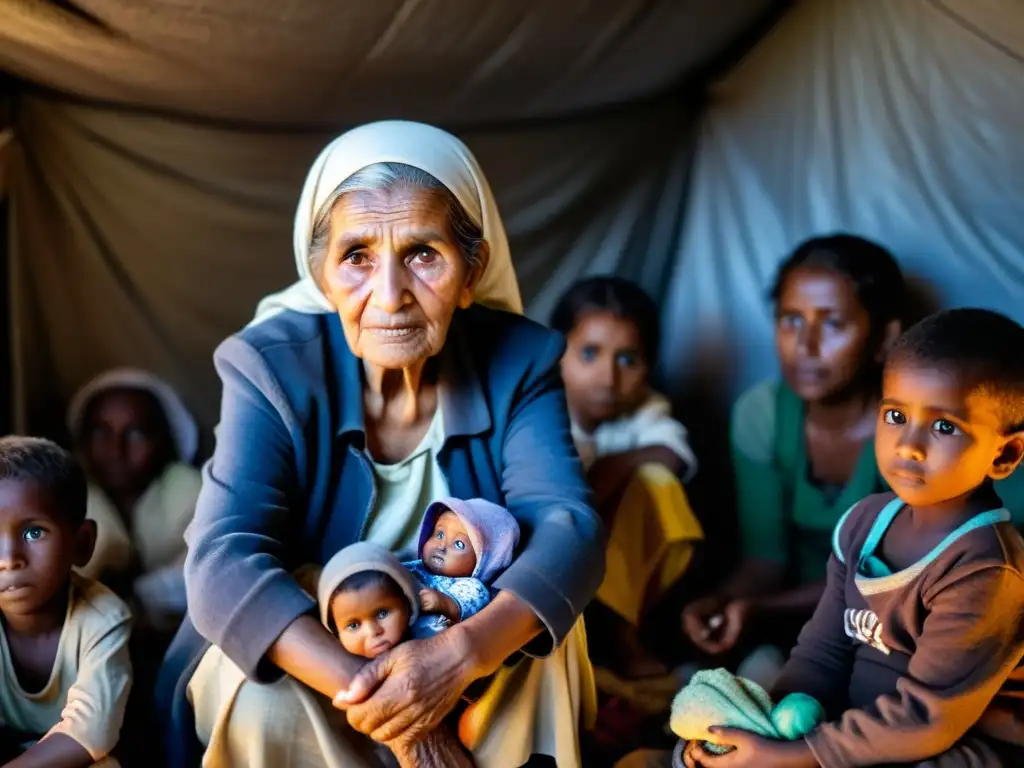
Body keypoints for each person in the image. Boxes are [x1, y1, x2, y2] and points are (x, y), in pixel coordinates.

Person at [156, 121, 604, 768]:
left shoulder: (521, 359)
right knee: (259, 691)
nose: (389, 297)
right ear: (321, 275)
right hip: (322, 647)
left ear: (472, 270)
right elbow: (223, 561)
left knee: (550, 636)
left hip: (454, 625)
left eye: (424, 254)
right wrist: (399, 713)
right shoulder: (267, 366)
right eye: (357, 256)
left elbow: (568, 529)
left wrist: (459, 656)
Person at [684, 308, 1024, 768]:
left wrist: (795, 756)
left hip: (951, 744)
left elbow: (926, 719)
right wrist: (770, 727)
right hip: (855, 729)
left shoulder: (984, 569)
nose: (908, 444)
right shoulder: (864, 523)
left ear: (1005, 454)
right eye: (896, 415)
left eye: (944, 426)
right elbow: (823, 650)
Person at [682, 236, 905, 682]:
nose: (805, 344)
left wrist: (758, 608)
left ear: (884, 337)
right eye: (790, 320)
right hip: (792, 618)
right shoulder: (761, 414)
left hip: (889, 621)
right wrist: (723, 603)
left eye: (833, 324)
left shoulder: (910, 430)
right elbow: (765, 559)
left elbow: (898, 579)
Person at [551, 276, 703, 681]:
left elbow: (675, 454)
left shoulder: (644, 409)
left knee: (657, 481)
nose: (608, 377)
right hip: (558, 557)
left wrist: (613, 468)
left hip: (627, 567)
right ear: (556, 353)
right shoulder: (543, 411)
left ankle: (627, 633)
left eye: (627, 360)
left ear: (649, 365)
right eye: (589, 353)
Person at [0, 436, 132, 767]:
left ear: (82, 543)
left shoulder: (103, 619)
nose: (9, 558)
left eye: (33, 533)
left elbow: (92, 732)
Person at [67, 368, 201, 625]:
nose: (116, 450)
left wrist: (141, 596)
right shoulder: (64, 500)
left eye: (136, 433)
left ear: (164, 441)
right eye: (100, 433)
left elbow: (208, 570)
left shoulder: (190, 491)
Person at [403, 497, 519, 638]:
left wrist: (445, 603)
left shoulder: (471, 587)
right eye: (439, 534)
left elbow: (471, 607)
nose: (442, 546)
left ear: (482, 562)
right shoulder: (414, 567)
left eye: (459, 544)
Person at [316, 542, 420, 661]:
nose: (372, 631)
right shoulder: (341, 668)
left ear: (408, 604)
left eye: (382, 613)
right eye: (353, 625)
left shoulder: (430, 634)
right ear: (335, 632)